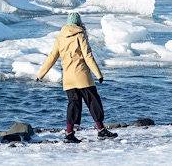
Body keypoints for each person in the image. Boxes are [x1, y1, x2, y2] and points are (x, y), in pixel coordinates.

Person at [37, 12, 118, 143]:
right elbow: (88, 56)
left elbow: (52, 57)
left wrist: (40, 74)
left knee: (73, 104)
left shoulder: (60, 37)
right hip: (82, 76)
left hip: (68, 78)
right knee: (93, 102)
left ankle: (69, 133)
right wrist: (99, 74)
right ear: (79, 23)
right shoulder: (80, 35)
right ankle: (101, 130)